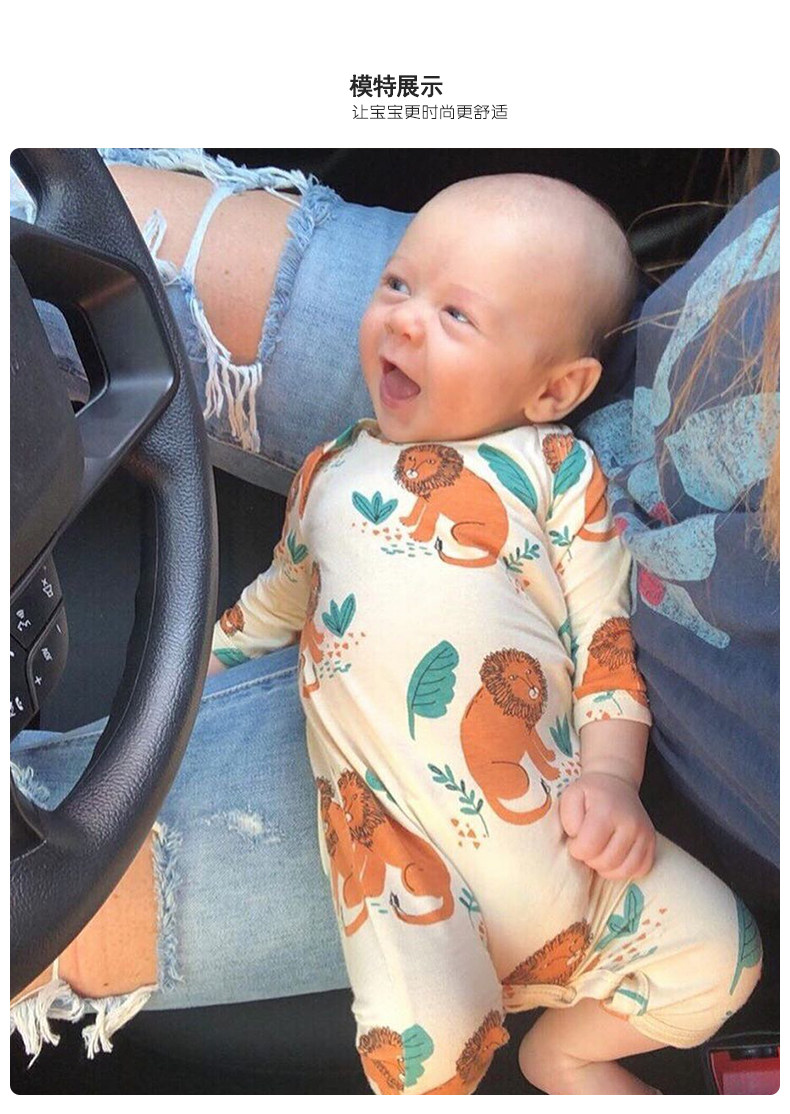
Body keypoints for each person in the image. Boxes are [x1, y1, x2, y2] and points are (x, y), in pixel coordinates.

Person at [9, 152, 777, 1091]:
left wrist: (613, 781)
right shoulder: (331, 471)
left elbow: (604, 645)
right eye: (399, 285)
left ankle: (566, 1052)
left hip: (578, 831)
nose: (404, 319)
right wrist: (200, 660)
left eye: (455, 315)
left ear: (550, 394)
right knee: (417, 1042)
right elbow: (282, 596)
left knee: (724, 954)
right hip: (405, 858)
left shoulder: (554, 472)